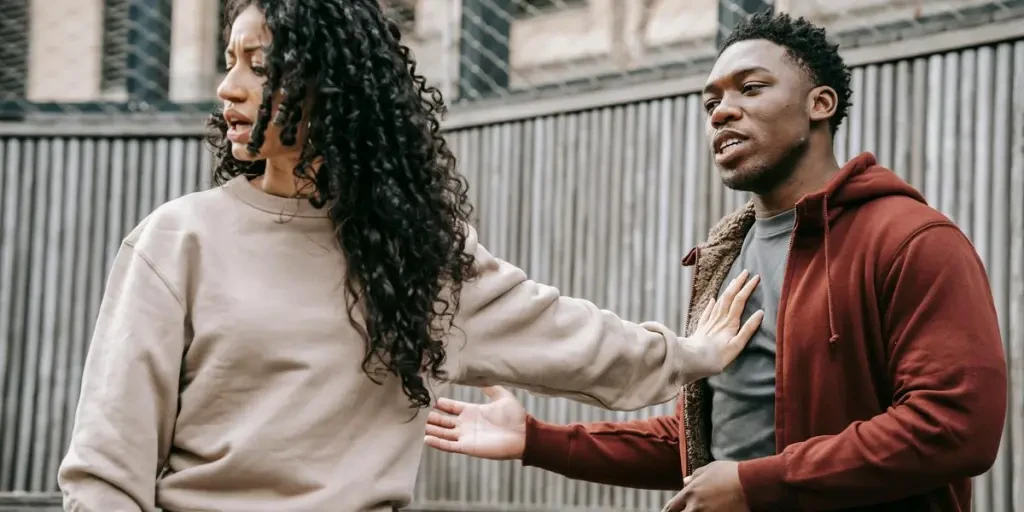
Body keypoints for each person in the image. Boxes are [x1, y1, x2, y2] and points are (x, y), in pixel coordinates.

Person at [55, 1, 765, 511]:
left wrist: (690, 354)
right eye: (229, 62)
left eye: (258, 66)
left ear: (332, 87)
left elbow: (568, 337)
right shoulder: (177, 241)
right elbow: (105, 471)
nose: (228, 88)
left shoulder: (415, 258)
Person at [424, 11, 1008, 512]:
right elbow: (701, 442)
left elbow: (956, 427)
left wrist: (758, 484)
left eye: (750, 89)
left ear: (819, 104)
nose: (721, 112)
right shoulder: (727, 257)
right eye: (712, 100)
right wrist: (536, 440)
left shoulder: (912, 240)